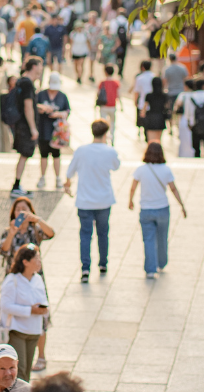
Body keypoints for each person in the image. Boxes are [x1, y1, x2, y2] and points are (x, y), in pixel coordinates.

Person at [0, 197, 55, 371]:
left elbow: (51, 233)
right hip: (15, 279)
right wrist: (12, 232)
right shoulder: (8, 231)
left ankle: (41, 355)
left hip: (35, 278)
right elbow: (3, 250)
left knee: (40, 315)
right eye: (17, 209)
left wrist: (37, 219)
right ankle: (14, 356)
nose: (20, 212)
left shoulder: (35, 230)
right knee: (13, 314)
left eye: (24, 209)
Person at [63, 119, 121, 283]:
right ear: (106, 133)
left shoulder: (81, 151)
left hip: (84, 200)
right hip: (103, 200)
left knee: (85, 235)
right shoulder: (110, 151)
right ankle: (103, 264)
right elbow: (116, 166)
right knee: (103, 233)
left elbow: (70, 171)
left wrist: (67, 184)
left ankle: (85, 268)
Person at [128, 143, 188, 279]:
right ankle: (161, 263)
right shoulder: (166, 170)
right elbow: (173, 189)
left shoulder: (141, 170)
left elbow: (133, 187)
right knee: (162, 238)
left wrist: (130, 200)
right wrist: (181, 205)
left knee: (148, 239)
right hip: (162, 209)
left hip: (146, 210)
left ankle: (150, 269)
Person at [0, 245, 48, 382]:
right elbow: (6, 306)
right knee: (18, 372)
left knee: (26, 373)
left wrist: (44, 309)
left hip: (34, 330)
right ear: (25, 262)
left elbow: (43, 299)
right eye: (36, 258)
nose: (39, 261)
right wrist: (29, 310)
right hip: (17, 331)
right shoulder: (12, 280)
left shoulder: (37, 279)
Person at [11, 57, 44, 197]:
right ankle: (16, 186)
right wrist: (33, 128)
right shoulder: (28, 84)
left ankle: (17, 185)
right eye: (40, 66)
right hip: (25, 126)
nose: (42, 69)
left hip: (20, 123)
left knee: (23, 155)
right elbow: (27, 106)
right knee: (24, 155)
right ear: (35, 67)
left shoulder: (21, 81)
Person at [34, 73, 70, 190]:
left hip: (57, 131)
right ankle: (42, 176)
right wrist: (43, 109)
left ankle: (58, 177)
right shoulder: (41, 94)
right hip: (43, 129)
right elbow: (34, 107)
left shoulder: (62, 96)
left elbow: (67, 111)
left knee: (56, 155)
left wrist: (57, 114)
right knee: (43, 155)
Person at [184, 78, 204, 158]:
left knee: (196, 149)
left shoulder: (190, 99)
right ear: (203, 86)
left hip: (195, 126)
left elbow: (187, 114)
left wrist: (189, 125)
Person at [95, 67, 122, 140]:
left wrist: (96, 103)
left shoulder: (102, 83)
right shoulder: (116, 83)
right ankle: (112, 136)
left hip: (104, 105)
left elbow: (98, 94)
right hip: (113, 105)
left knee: (103, 122)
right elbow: (118, 95)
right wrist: (121, 105)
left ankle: (104, 137)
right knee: (112, 122)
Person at [142, 77, 169, 143]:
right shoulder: (164, 96)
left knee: (150, 141)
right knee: (158, 141)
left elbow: (144, 109)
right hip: (160, 118)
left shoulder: (149, 95)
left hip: (151, 118)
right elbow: (167, 107)